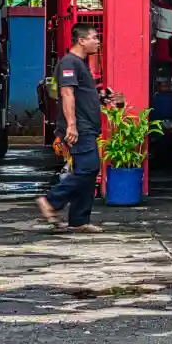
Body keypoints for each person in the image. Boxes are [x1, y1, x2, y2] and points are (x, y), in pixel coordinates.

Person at [36, 23, 121, 232]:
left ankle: (79, 220)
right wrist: (71, 126)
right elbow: (67, 94)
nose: (98, 42)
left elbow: (81, 95)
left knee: (89, 172)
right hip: (78, 127)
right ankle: (51, 201)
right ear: (81, 41)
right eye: (94, 37)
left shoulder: (80, 64)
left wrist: (101, 98)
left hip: (87, 126)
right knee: (88, 168)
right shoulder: (69, 63)